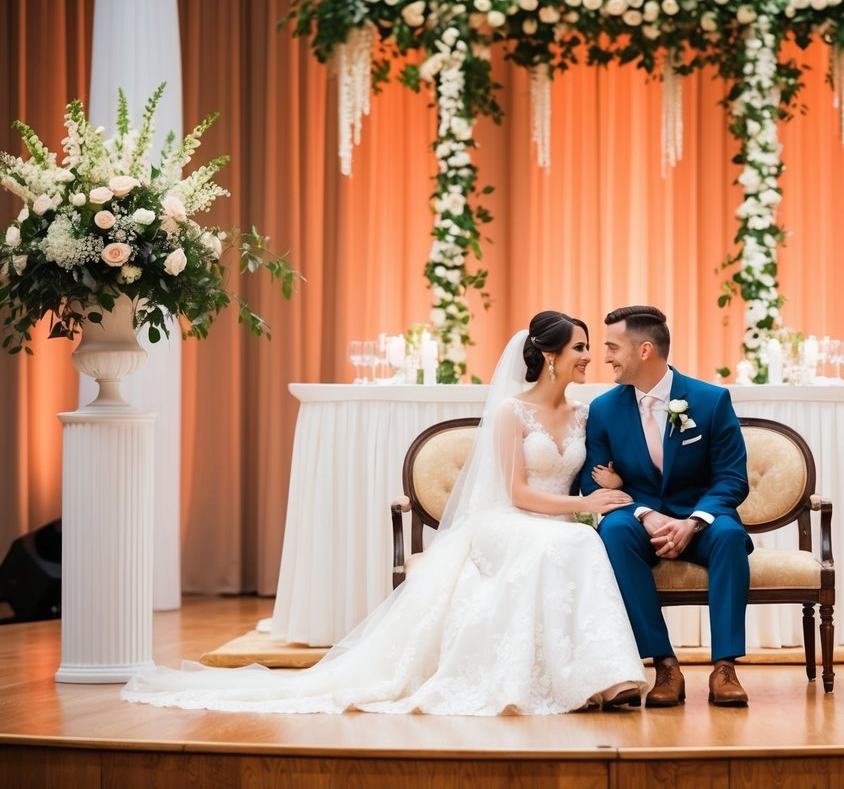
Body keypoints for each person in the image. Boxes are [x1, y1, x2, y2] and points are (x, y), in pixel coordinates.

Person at [121, 312, 647, 715]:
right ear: (550, 355)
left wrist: (610, 486)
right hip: (511, 521)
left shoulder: (585, 413)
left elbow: (596, 469)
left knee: (577, 542)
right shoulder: (513, 412)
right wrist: (583, 506)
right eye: (580, 347)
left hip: (557, 521)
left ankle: (602, 679)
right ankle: (593, 679)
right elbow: (515, 492)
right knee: (574, 541)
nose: (589, 357)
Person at [580, 305, 752, 708]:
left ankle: (725, 668)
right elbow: (592, 481)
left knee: (730, 536)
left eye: (612, 347)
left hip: (702, 519)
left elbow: (732, 478)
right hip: (641, 520)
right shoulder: (603, 410)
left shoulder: (711, 400)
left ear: (644, 350)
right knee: (614, 532)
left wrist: (694, 521)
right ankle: (665, 666)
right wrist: (644, 512)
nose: (605, 357)